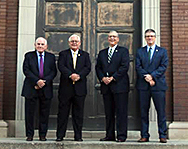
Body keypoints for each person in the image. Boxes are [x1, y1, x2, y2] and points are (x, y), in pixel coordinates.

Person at [95, 30, 130, 142]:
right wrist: (102, 78)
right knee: (109, 113)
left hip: (120, 86)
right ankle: (109, 135)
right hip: (106, 87)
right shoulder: (102, 53)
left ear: (118, 39)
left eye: (114, 37)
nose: (112, 39)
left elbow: (124, 67)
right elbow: (98, 68)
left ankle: (121, 136)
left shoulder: (123, 51)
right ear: (107, 39)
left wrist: (113, 77)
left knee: (121, 112)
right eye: (110, 37)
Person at [56, 34, 91, 142]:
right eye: (72, 41)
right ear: (69, 43)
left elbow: (87, 68)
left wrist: (79, 76)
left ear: (80, 43)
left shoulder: (85, 55)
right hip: (66, 89)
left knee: (78, 114)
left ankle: (78, 136)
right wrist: (71, 75)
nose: (74, 43)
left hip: (79, 89)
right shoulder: (63, 54)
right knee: (63, 113)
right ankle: (60, 135)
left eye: (76, 41)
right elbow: (61, 66)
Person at [136, 29, 168, 143]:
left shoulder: (162, 51)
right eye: (147, 36)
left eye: (152, 36)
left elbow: (163, 66)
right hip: (143, 86)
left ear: (155, 37)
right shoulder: (140, 51)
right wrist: (147, 77)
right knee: (143, 111)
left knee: (161, 111)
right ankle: (144, 135)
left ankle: (162, 135)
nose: (150, 38)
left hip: (158, 85)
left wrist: (152, 76)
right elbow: (138, 67)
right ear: (145, 38)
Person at [22, 37, 57, 141]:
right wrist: (37, 81)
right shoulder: (29, 56)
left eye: (42, 44)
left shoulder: (51, 57)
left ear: (46, 46)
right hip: (31, 88)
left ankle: (43, 135)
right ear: (35, 45)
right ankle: (29, 135)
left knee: (44, 113)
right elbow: (26, 70)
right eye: (38, 44)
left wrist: (44, 82)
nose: (40, 46)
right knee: (30, 113)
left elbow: (53, 72)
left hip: (45, 89)